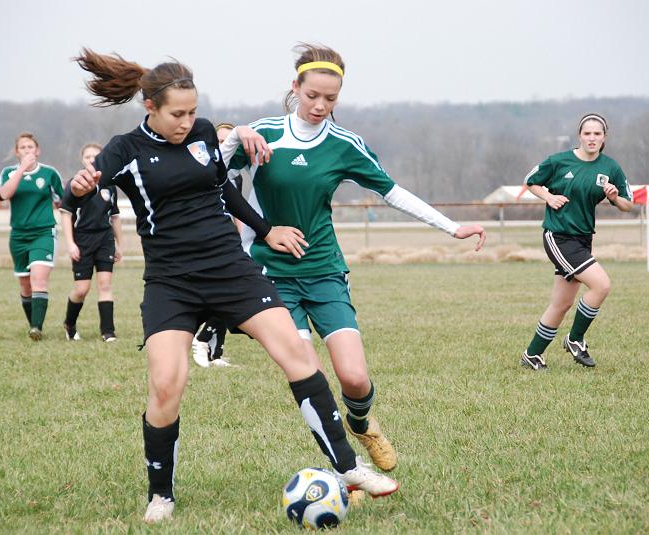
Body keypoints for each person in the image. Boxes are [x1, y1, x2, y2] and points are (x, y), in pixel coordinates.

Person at [66, 48, 399, 524]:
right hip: (172, 282)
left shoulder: (203, 136)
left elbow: (223, 190)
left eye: (193, 111)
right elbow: (75, 193)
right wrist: (77, 189)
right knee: (166, 385)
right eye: (177, 114)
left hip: (230, 270)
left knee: (298, 355)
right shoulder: (125, 150)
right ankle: (161, 495)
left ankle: (348, 468)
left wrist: (266, 231)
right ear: (151, 109)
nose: (187, 121)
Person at [220, 44, 487, 473]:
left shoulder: (345, 145)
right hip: (272, 275)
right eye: (312, 97)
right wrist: (234, 136)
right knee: (310, 377)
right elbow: (207, 169)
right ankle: (348, 470)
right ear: (295, 88)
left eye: (330, 99)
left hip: (324, 270)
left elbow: (392, 192)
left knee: (354, 378)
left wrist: (452, 227)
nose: (320, 106)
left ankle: (362, 423)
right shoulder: (264, 133)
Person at [520, 113, 634, 370]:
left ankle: (532, 355)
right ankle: (575, 339)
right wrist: (548, 197)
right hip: (558, 235)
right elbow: (530, 182)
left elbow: (628, 205)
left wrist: (615, 197)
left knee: (561, 304)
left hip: (583, 239)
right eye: (587, 133)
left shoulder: (610, 168)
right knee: (601, 285)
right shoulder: (560, 161)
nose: (592, 138)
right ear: (579, 135)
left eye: (597, 134)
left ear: (604, 137)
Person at [0, 132, 63, 341]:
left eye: (30, 147)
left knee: (39, 279)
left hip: (43, 232)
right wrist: (21, 170)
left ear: (38, 150)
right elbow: (3, 195)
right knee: (25, 285)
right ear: (17, 152)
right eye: (23, 147)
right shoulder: (8, 173)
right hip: (18, 235)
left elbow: (62, 201)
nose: (27, 150)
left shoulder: (50, 174)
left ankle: (37, 327)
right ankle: (33, 323)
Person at [59, 143, 124, 342]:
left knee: (105, 285)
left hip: (104, 239)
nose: (91, 160)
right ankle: (69, 324)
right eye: (87, 156)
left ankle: (108, 332)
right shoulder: (75, 185)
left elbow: (115, 217)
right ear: (82, 160)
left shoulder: (110, 186)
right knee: (82, 289)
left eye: (95, 157)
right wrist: (70, 243)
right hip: (83, 240)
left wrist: (119, 244)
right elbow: (65, 214)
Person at [192, 122, 241, 368]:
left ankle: (216, 353)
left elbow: (236, 210)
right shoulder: (201, 170)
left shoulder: (236, 174)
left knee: (228, 292)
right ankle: (200, 339)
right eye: (218, 141)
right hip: (206, 242)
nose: (222, 146)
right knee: (226, 294)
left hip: (228, 240)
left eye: (227, 141)